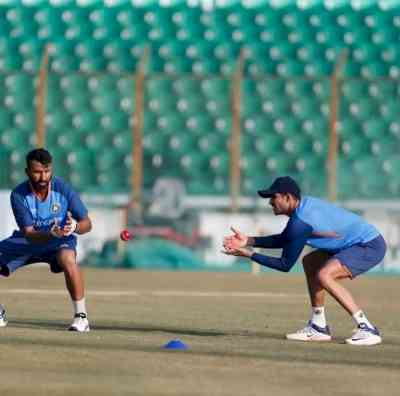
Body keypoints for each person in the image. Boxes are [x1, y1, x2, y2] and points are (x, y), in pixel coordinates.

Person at [223, 176, 386, 346]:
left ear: (288, 197)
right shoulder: (302, 210)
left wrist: (249, 254)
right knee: (310, 262)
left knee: (324, 275)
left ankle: (367, 328)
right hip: (353, 244)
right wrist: (249, 240)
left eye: (274, 197)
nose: (270, 202)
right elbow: (287, 239)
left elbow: (284, 265)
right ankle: (318, 326)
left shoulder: (301, 221)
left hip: (368, 245)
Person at [0, 148, 92, 332]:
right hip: (28, 241)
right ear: (27, 172)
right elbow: (28, 233)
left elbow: (87, 223)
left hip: (58, 242)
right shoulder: (18, 195)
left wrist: (74, 227)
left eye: (47, 171)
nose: (43, 177)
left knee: (68, 259)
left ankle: (81, 318)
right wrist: (51, 233)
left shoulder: (63, 189)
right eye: (37, 172)